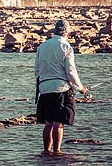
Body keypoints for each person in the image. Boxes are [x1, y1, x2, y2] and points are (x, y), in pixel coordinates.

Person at [34, 19, 88, 156]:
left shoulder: (42, 46)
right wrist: (81, 88)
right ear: (68, 33)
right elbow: (71, 72)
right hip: (61, 88)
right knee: (59, 123)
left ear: (55, 30)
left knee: (48, 123)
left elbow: (37, 70)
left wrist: (40, 86)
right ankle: (57, 152)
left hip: (44, 88)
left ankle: (46, 152)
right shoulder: (66, 47)